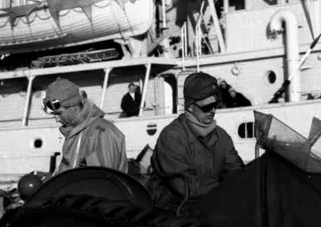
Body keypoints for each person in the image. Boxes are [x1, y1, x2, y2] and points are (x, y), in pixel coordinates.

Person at [148, 71, 244, 207]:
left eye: (215, 105)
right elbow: (185, 186)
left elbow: (234, 171)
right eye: (206, 107)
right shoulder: (172, 137)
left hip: (212, 204)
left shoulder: (221, 136)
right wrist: (224, 191)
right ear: (190, 107)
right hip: (174, 210)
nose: (212, 110)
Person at [43, 77, 128, 173]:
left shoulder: (102, 133)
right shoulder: (76, 132)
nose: (57, 119)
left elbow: (104, 178)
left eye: (59, 113)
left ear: (73, 107)